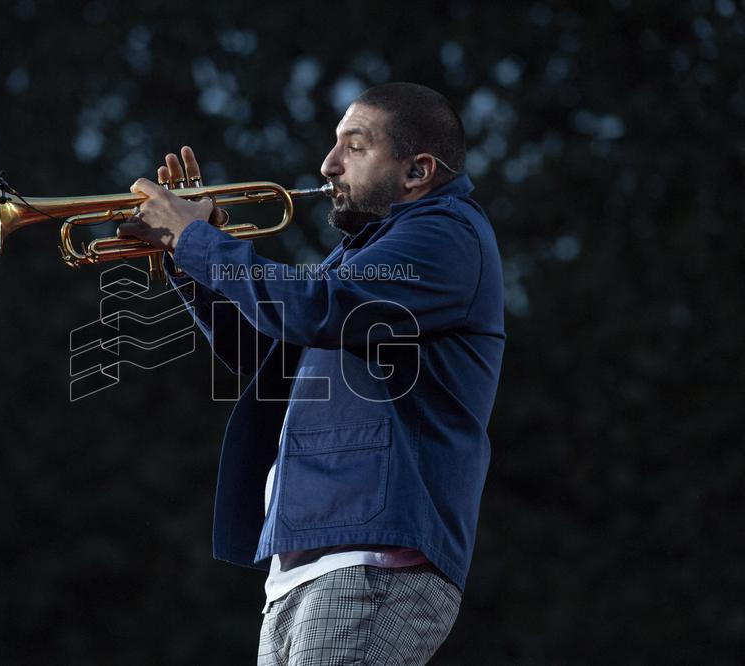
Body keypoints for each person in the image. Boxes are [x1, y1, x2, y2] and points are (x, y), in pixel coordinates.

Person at [118, 82, 505, 665]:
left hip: (371, 555)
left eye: (354, 146)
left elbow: (316, 305)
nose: (327, 165)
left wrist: (197, 238)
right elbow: (265, 356)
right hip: (308, 559)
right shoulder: (360, 255)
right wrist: (190, 260)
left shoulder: (445, 235)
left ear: (417, 170)